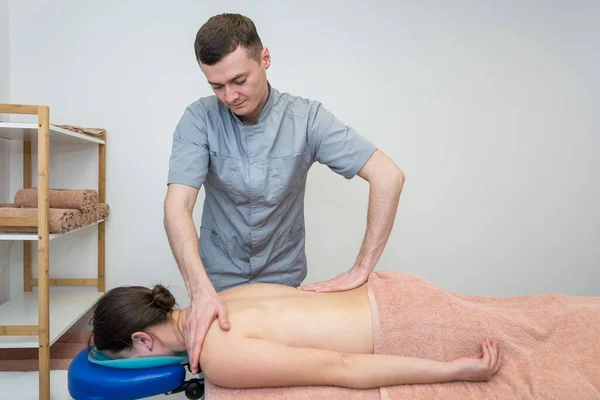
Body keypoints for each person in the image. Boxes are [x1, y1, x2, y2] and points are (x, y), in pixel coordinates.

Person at [164, 13, 406, 374]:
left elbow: (388, 176)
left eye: (239, 80)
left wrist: (362, 268)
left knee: (285, 374)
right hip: (216, 283)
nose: (229, 96)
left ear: (265, 58)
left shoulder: (307, 119)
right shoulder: (199, 120)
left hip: (283, 281)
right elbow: (177, 207)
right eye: (216, 86)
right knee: (220, 370)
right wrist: (199, 291)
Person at [88, 276, 501, 390]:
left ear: (143, 339)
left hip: (408, 325)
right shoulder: (220, 297)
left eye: (130, 359)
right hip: (397, 289)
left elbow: (342, 366)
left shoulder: (219, 355)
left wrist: (454, 371)